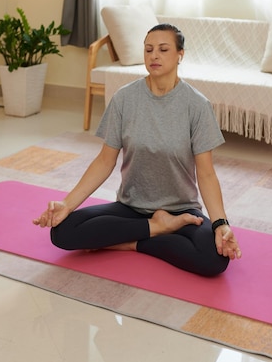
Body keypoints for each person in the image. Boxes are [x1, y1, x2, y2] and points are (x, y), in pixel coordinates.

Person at [33, 23, 242, 277]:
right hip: (131, 207)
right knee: (62, 231)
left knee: (214, 258)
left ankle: (132, 241)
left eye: (163, 49)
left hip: (181, 210)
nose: (154, 55)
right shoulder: (124, 98)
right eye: (148, 49)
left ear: (180, 55)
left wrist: (221, 224)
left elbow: (207, 174)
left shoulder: (197, 105)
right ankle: (154, 228)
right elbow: (104, 161)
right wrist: (67, 204)